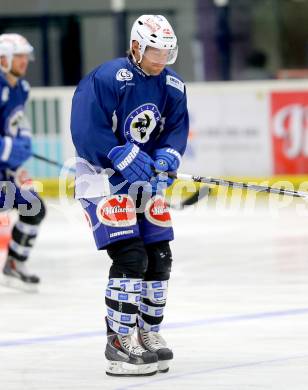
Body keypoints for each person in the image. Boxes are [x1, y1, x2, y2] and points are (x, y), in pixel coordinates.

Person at [71, 15, 189, 376]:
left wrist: (168, 155)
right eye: (155, 50)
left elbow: (175, 128)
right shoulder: (108, 78)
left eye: (167, 51)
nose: (161, 59)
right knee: (131, 257)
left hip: (145, 185)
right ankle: (119, 341)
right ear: (137, 46)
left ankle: (147, 333)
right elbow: (84, 127)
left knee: (159, 256)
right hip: (102, 180)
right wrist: (117, 153)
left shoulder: (172, 85)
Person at [0, 34, 46, 291]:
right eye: (18, 55)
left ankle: (15, 264)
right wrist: (10, 150)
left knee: (34, 207)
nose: (24, 60)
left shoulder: (21, 89)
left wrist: (22, 145)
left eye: (25, 55)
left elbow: (17, 124)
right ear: (3, 57)